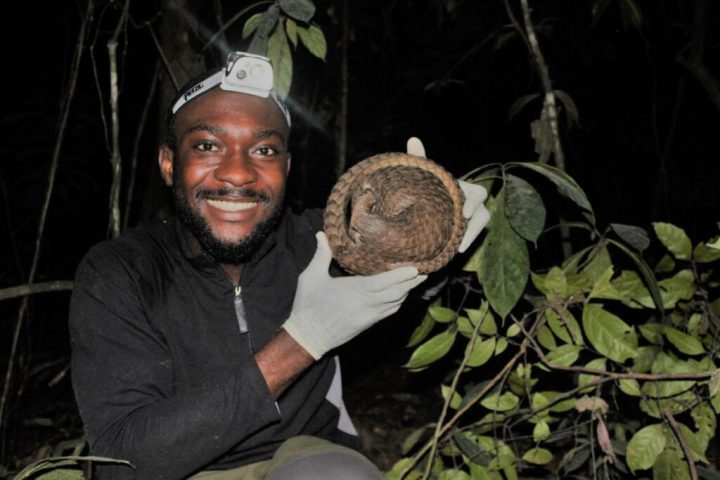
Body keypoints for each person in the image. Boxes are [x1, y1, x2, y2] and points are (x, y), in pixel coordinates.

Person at [69, 52, 490, 480]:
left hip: (303, 456)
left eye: (264, 149)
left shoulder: (320, 243)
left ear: (286, 168)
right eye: (208, 146)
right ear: (168, 163)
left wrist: (439, 236)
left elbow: (394, 261)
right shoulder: (123, 271)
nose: (238, 173)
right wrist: (304, 340)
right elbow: (121, 465)